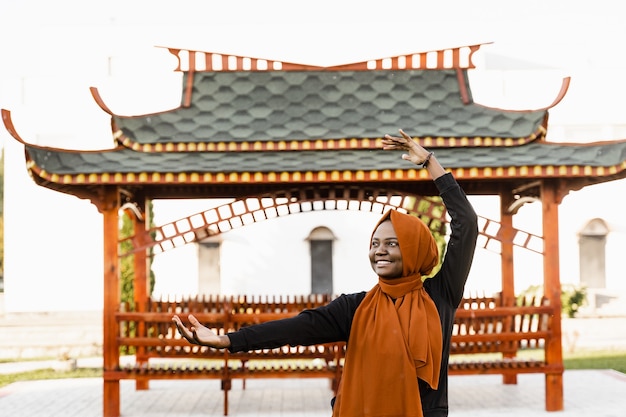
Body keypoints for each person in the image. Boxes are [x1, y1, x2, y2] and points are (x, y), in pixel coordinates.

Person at [173, 129, 479, 417]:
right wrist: (227, 340)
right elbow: (294, 329)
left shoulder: (441, 295)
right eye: (374, 243)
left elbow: (466, 223)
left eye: (392, 243)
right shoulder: (355, 308)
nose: (379, 250)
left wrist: (430, 163)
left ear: (415, 248)